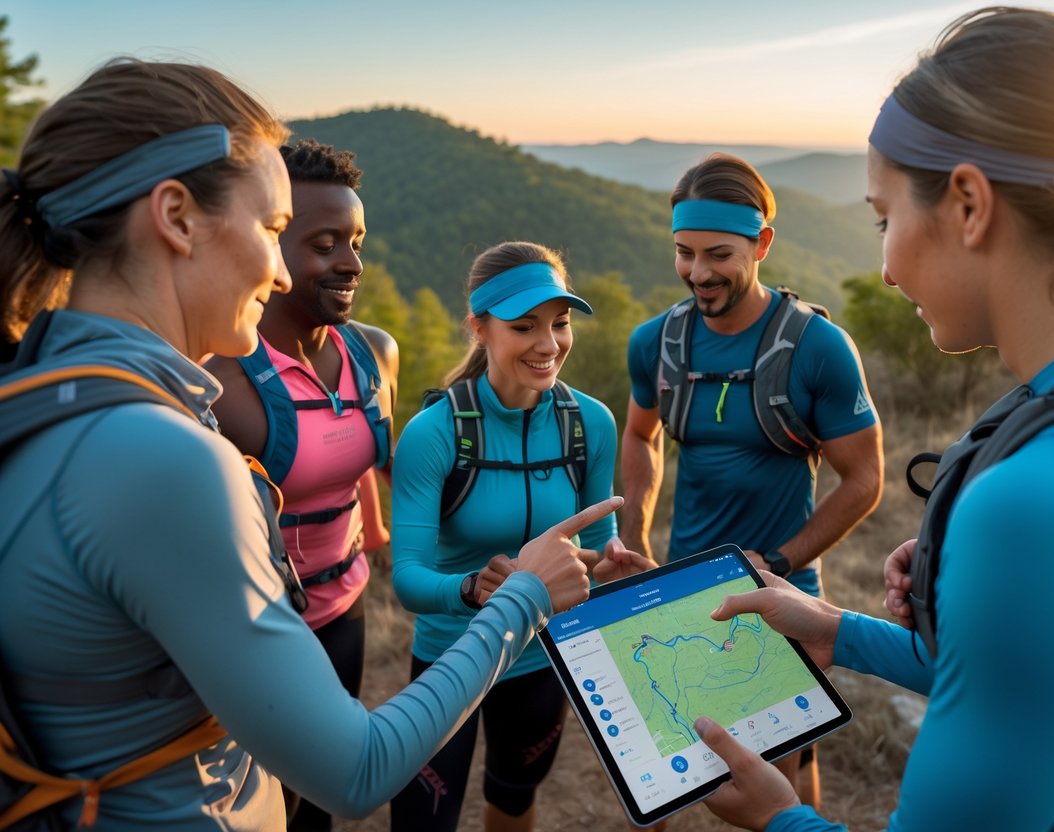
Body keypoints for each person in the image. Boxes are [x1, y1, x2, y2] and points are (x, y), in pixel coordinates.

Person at [0, 58, 621, 831]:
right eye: (271, 229)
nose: (274, 265)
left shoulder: (41, 393)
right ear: (177, 216)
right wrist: (524, 595)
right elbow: (356, 771)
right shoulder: (161, 456)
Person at [690, 8, 1054, 831]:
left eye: (883, 217)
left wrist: (779, 817)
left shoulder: (1043, 504)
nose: (886, 263)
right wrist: (838, 631)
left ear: (968, 202)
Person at [620, 152, 884, 804]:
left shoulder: (816, 348)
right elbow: (638, 435)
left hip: (781, 588)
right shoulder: (655, 343)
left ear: (761, 243)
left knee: (784, 774)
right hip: (681, 590)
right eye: (683, 253)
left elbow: (862, 479)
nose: (697, 273)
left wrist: (773, 561)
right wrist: (637, 541)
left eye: (717, 255)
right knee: (676, 766)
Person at [389, 241, 654, 832]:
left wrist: (608, 562)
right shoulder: (435, 433)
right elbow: (406, 577)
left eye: (560, 324)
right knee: (423, 817)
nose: (549, 343)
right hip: (452, 655)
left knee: (513, 798)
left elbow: (597, 539)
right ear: (479, 328)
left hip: (541, 657)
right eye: (524, 326)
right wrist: (469, 588)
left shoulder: (589, 423)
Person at [204, 138, 396, 832]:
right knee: (260, 809)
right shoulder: (220, 377)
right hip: (263, 637)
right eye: (324, 243)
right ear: (273, 244)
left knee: (318, 802)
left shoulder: (372, 352)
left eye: (357, 241)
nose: (351, 263)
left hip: (346, 611)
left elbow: (385, 468)